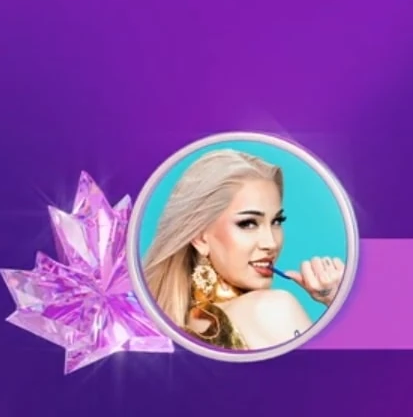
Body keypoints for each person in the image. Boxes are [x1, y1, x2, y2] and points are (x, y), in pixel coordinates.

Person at [139, 149, 348, 351]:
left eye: (277, 221)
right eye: (248, 223)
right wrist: (344, 303)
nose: (271, 243)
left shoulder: (174, 329)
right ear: (200, 238)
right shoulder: (272, 309)